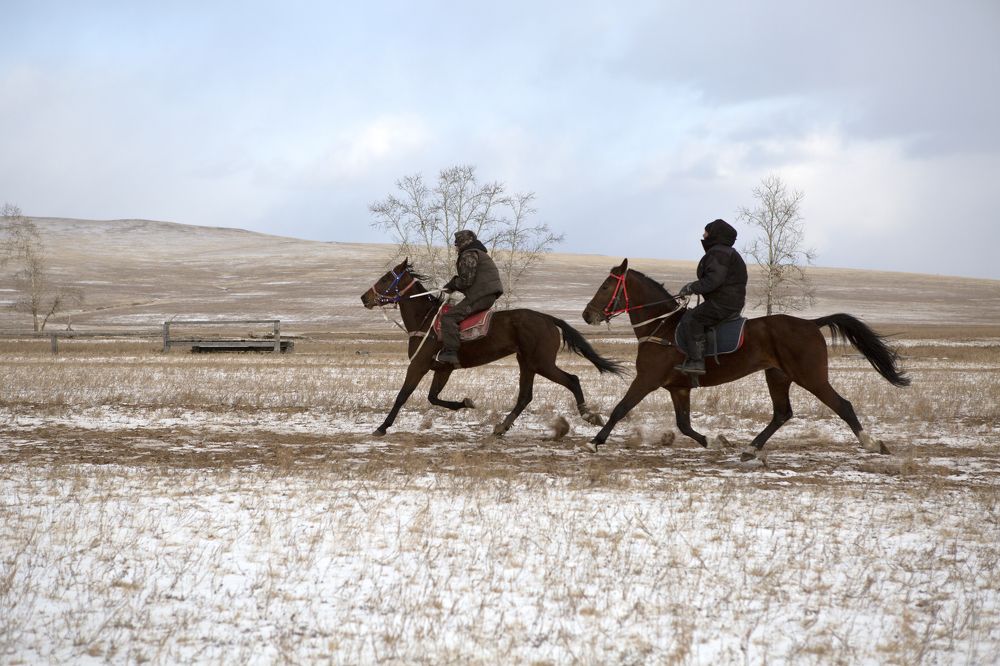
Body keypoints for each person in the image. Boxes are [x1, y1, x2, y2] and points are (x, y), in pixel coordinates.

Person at [675, 219, 748, 376]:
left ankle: (697, 362)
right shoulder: (726, 252)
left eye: (706, 232)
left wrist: (691, 287)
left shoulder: (719, 253)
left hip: (723, 302)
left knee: (692, 319)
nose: (703, 234)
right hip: (729, 301)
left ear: (715, 234)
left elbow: (714, 280)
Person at [435, 230, 504, 366]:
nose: (455, 248)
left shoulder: (469, 254)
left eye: (456, 244)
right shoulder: (479, 253)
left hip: (481, 295)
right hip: (486, 294)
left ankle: (450, 352)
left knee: (448, 318)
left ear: (462, 243)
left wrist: (452, 285)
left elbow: (466, 281)